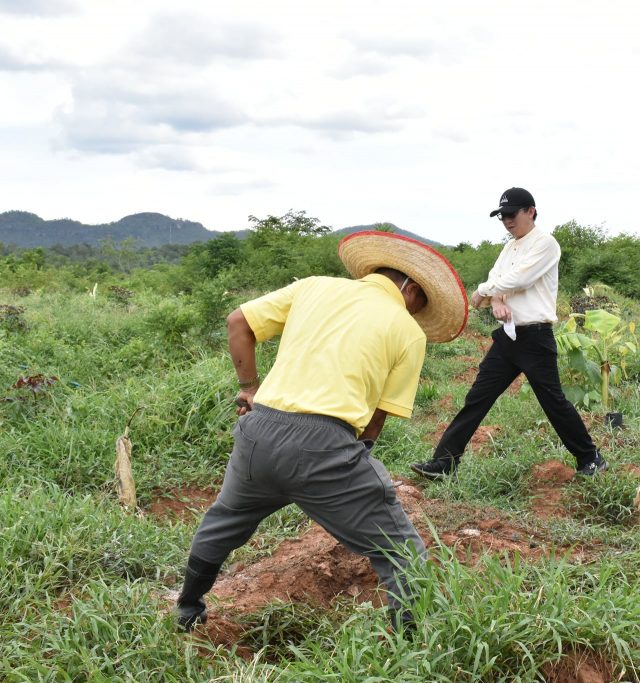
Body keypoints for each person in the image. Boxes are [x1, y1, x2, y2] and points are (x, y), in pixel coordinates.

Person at [174, 231, 469, 633]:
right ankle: (410, 646)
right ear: (411, 288)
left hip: (257, 431)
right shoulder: (407, 330)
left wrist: (248, 387)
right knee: (401, 551)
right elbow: (375, 419)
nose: (416, 313)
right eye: (419, 305)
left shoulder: (312, 287)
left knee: (223, 522)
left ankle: (188, 608)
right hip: (326, 443)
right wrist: (349, 468)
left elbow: (238, 322)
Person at [410, 187, 608, 480]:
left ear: (531, 211)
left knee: (553, 401)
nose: (506, 221)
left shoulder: (546, 244)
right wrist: (497, 298)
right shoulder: (509, 247)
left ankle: (590, 457)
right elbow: (498, 280)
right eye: (502, 216)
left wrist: (484, 293)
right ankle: (445, 462)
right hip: (508, 337)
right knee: (477, 398)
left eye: (511, 214)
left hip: (535, 337)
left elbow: (519, 279)